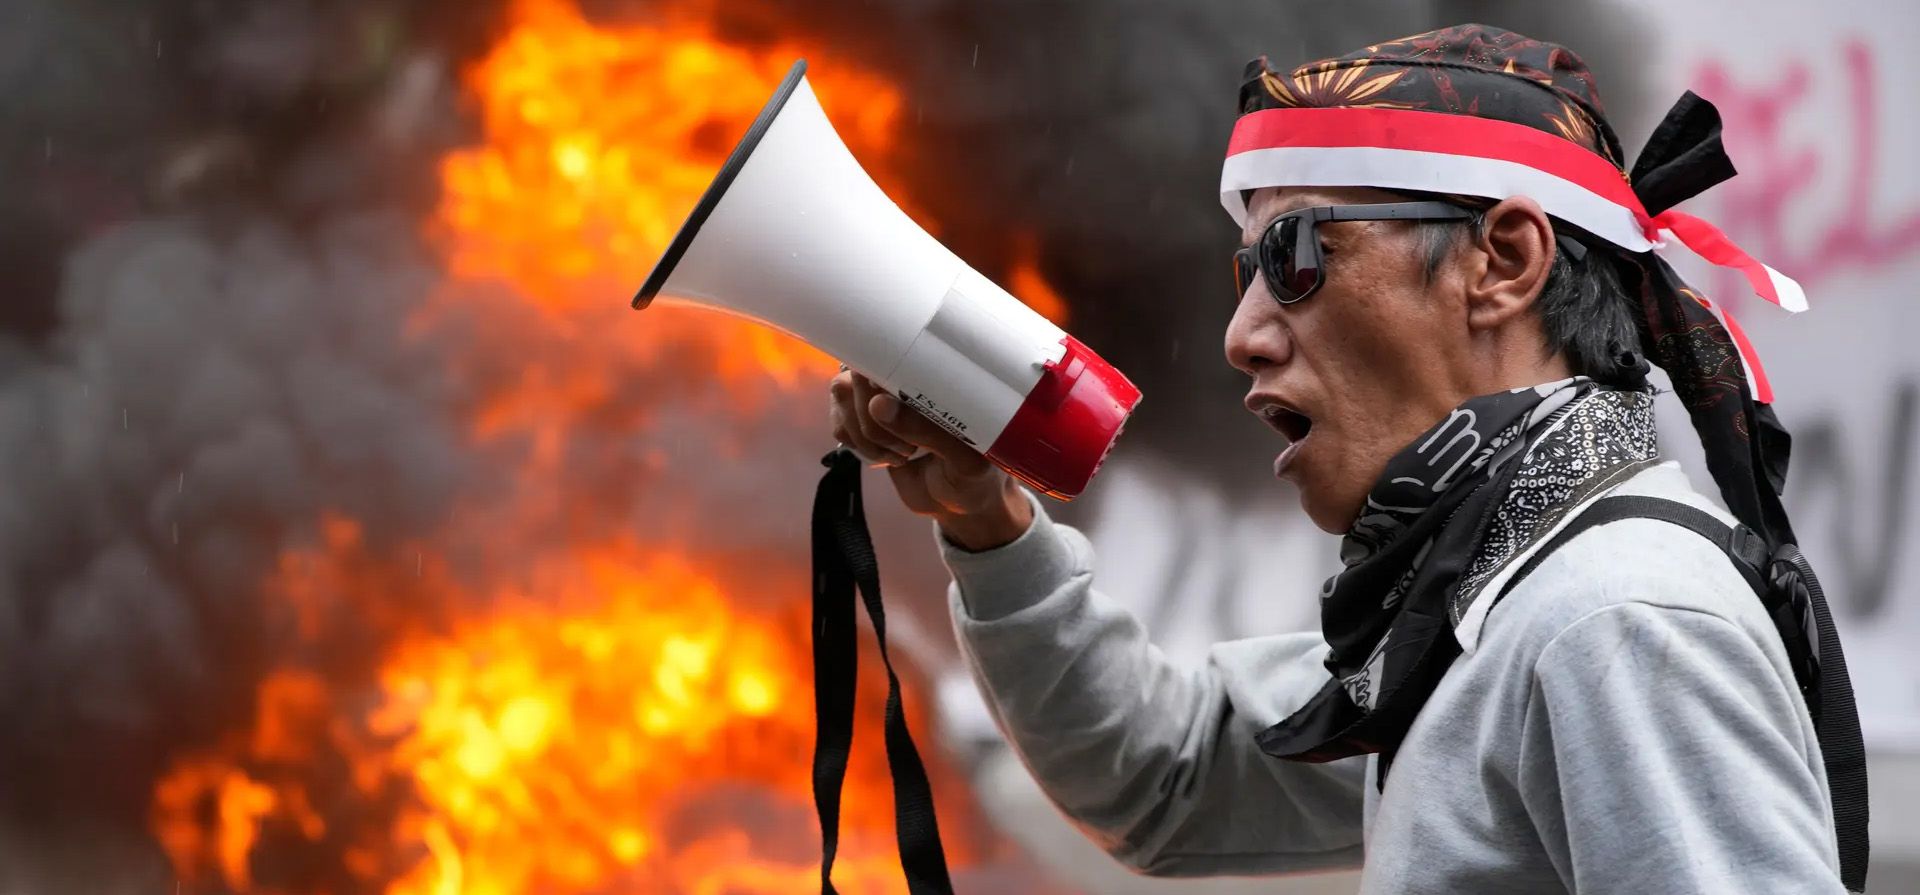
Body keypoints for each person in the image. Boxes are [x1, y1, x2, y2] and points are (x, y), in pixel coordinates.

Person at [828, 25, 1861, 894]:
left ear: (1503, 260)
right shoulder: (1487, 601)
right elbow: (1165, 777)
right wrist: (986, 519)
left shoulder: (1612, 618)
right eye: (1248, 267)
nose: (1242, 333)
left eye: (1297, 254)